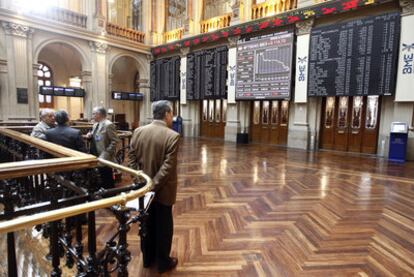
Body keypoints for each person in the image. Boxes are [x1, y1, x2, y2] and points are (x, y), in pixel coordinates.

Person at [128, 100, 180, 273]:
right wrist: (153, 185)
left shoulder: (138, 131)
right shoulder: (172, 136)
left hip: (143, 189)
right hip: (163, 190)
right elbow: (167, 167)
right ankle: (163, 262)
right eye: (171, 113)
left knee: (146, 224)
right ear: (166, 114)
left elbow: (131, 159)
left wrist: (142, 182)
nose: (172, 117)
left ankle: (147, 259)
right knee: (164, 226)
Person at [86, 107, 120, 189]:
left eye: (94, 113)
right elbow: (96, 137)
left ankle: (110, 195)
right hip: (95, 154)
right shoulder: (95, 125)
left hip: (104, 156)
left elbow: (115, 141)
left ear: (99, 114)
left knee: (107, 178)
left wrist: (107, 153)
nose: (92, 116)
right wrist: (90, 136)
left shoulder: (108, 124)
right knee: (98, 176)